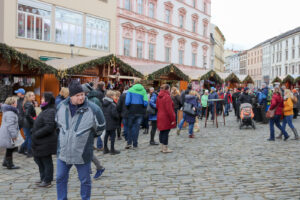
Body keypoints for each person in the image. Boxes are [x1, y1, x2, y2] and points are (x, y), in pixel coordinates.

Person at [55, 80, 106, 200]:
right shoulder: (61, 106)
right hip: (63, 151)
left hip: (82, 152)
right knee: (60, 178)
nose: (81, 97)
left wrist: (88, 136)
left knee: (85, 180)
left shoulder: (93, 109)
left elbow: (101, 126)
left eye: (82, 94)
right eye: (77, 95)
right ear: (71, 96)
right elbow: (58, 124)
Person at [31, 92, 57, 187]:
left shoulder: (50, 110)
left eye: (43, 98)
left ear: (48, 100)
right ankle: (43, 177)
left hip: (45, 141)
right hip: (40, 141)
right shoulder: (45, 109)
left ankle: (47, 180)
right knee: (38, 159)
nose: (41, 100)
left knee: (46, 161)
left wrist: (36, 134)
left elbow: (49, 126)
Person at [81, 83, 106, 179]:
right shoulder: (82, 101)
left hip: (90, 129)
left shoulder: (94, 101)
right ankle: (93, 168)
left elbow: (98, 114)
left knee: (86, 150)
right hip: (84, 129)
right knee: (86, 150)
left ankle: (95, 168)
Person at [125, 82, 148, 149]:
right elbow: (146, 103)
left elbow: (127, 102)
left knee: (129, 127)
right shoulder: (143, 91)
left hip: (131, 110)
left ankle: (129, 143)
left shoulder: (130, 90)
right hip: (140, 111)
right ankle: (135, 144)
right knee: (136, 128)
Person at [0, 97, 20, 169]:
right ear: (12, 103)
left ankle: (6, 162)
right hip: (8, 134)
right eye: (16, 102)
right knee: (10, 148)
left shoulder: (8, 111)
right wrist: (14, 135)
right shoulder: (10, 113)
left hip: (7, 133)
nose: (17, 104)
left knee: (10, 148)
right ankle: (9, 164)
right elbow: (10, 125)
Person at [156, 84, 176, 153]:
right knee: (166, 132)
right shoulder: (167, 97)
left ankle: (162, 147)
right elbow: (169, 110)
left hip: (160, 115)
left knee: (161, 131)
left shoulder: (159, 96)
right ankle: (165, 148)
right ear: (168, 89)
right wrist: (173, 119)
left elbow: (157, 106)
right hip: (166, 117)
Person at [102, 90, 121, 155]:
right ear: (111, 96)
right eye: (113, 95)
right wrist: (118, 116)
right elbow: (114, 114)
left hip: (105, 121)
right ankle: (112, 149)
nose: (114, 97)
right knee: (112, 135)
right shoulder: (112, 104)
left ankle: (105, 149)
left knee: (106, 135)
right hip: (112, 121)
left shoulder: (103, 103)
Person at [20, 91, 36, 158]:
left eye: (34, 95)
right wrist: (33, 121)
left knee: (27, 137)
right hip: (28, 123)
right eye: (32, 95)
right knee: (30, 138)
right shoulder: (29, 104)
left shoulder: (27, 103)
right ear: (29, 97)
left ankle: (21, 149)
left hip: (25, 123)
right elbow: (27, 115)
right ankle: (30, 153)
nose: (34, 96)